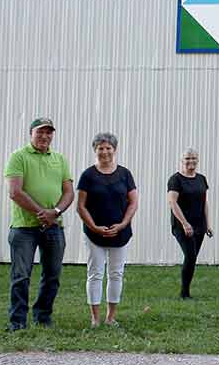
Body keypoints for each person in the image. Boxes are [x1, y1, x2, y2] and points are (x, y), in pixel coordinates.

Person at [4, 117, 74, 331]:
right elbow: (15, 192)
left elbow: (69, 191)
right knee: (21, 275)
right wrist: (41, 212)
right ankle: (18, 322)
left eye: (49, 132)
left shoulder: (60, 159)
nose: (45, 136)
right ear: (31, 134)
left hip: (54, 226)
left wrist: (56, 212)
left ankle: (42, 317)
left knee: (52, 274)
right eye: (40, 132)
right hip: (24, 227)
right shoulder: (18, 157)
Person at [76, 132, 139, 327]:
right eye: (101, 148)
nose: (105, 152)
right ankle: (95, 318)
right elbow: (81, 206)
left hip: (121, 234)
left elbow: (133, 202)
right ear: (95, 150)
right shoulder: (88, 175)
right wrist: (93, 227)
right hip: (94, 234)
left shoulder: (125, 174)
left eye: (108, 148)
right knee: (95, 273)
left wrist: (122, 224)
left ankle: (111, 317)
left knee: (116, 274)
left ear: (114, 149)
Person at [167, 148, 213, 299]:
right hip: (182, 225)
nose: (190, 161)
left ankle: (186, 290)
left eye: (193, 158)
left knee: (192, 258)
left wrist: (208, 224)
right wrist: (185, 224)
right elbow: (172, 203)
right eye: (187, 158)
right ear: (182, 161)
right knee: (190, 255)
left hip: (199, 224)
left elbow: (204, 202)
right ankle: (184, 293)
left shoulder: (201, 179)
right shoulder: (176, 179)